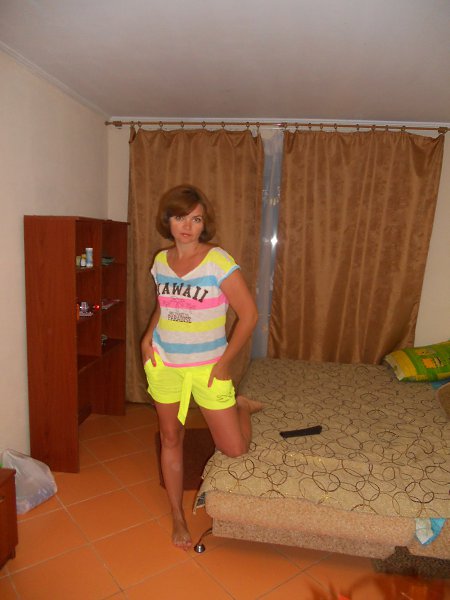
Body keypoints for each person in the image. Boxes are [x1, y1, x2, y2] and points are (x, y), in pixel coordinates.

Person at [141, 184, 262, 550]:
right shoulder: (161, 262)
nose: (187, 226)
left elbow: (249, 316)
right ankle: (177, 515)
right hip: (165, 363)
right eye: (180, 218)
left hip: (208, 367)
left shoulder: (217, 261)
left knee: (234, 449)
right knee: (170, 437)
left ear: (204, 223)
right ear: (168, 221)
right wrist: (147, 339)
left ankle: (242, 406)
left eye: (195, 219)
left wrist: (224, 364)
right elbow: (165, 306)